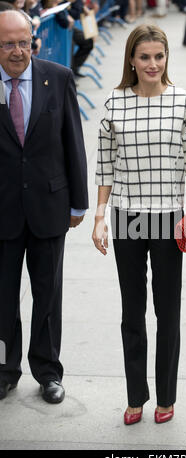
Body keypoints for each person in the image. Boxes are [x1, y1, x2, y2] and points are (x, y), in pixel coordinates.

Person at [92, 24, 186, 425]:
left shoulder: (183, 101)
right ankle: (135, 396)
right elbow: (105, 164)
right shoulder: (114, 103)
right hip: (127, 216)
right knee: (132, 311)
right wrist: (99, 216)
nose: (152, 64)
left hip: (167, 217)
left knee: (168, 310)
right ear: (131, 59)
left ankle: (166, 396)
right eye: (144, 57)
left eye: (159, 57)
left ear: (166, 59)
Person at [0, 10, 88, 403]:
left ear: (33, 39)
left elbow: (73, 142)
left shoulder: (59, 77)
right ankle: (4, 370)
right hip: (2, 210)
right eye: (7, 43)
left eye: (23, 41)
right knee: (1, 298)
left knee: (48, 296)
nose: (17, 51)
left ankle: (48, 372)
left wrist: (79, 204)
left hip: (50, 206)